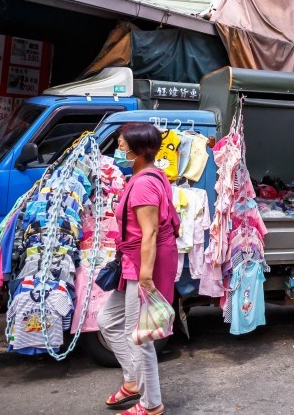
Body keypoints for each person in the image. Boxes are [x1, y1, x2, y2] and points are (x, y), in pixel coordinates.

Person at [99, 123, 180, 414]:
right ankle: (133, 382)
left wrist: (146, 277)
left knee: (140, 335)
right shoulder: (146, 176)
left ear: (139, 150)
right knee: (108, 320)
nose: (118, 150)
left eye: (122, 146)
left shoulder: (145, 182)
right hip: (132, 263)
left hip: (143, 266)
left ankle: (151, 404)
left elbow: (150, 233)